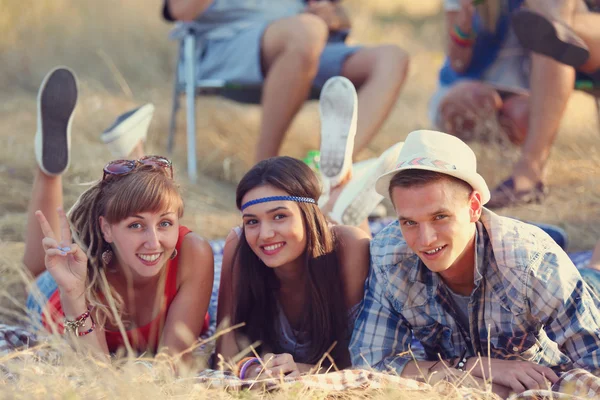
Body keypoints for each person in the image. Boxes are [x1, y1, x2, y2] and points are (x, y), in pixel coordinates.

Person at [349, 130, 600, 398]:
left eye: (440, 216)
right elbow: (370, 363)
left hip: (574, 293)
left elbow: (593, 359)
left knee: (593, 274)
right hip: (469, 366)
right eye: (409, 222)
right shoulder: (390, 255)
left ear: (474, 207)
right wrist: (474, 366)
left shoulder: (532, 262)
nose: (424, 239)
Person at [24, 67, 214, 361]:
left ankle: (133, 152)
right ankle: (49, 172)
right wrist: (73, 293)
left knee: (142, 196)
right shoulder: (86, 277)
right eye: (136, 226)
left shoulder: (194, 252)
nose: (154, 242)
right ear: (106, 229)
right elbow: (96, 367)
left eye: (165, 223)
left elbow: (172, 362)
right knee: (37, 273)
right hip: (65, 289)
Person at [162, 0, 409, 166]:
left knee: (392, 58)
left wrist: (330, 14)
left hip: (307, 50)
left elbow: (341, 17)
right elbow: (180, 10)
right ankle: (263, 174)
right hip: (226, 48)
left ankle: (331, 173)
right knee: (306, 30)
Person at [215, 155, 370, 378]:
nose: (265, 235)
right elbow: (224, 353)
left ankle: (342, 193)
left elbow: (366, 361)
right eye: (252, 221)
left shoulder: (350, 247)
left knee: (360, 239)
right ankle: (337, 195)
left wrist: (306, 371)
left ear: (308, 215)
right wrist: (253, 370)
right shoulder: (239, 245)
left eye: (279, 216)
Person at [430, 0, 595, 208]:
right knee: (476, 99)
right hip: (471, 85)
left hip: (519, 96)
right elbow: (458, 63)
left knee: (523, 116)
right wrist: (464, 23)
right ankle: (458, 166)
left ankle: (525, 168)